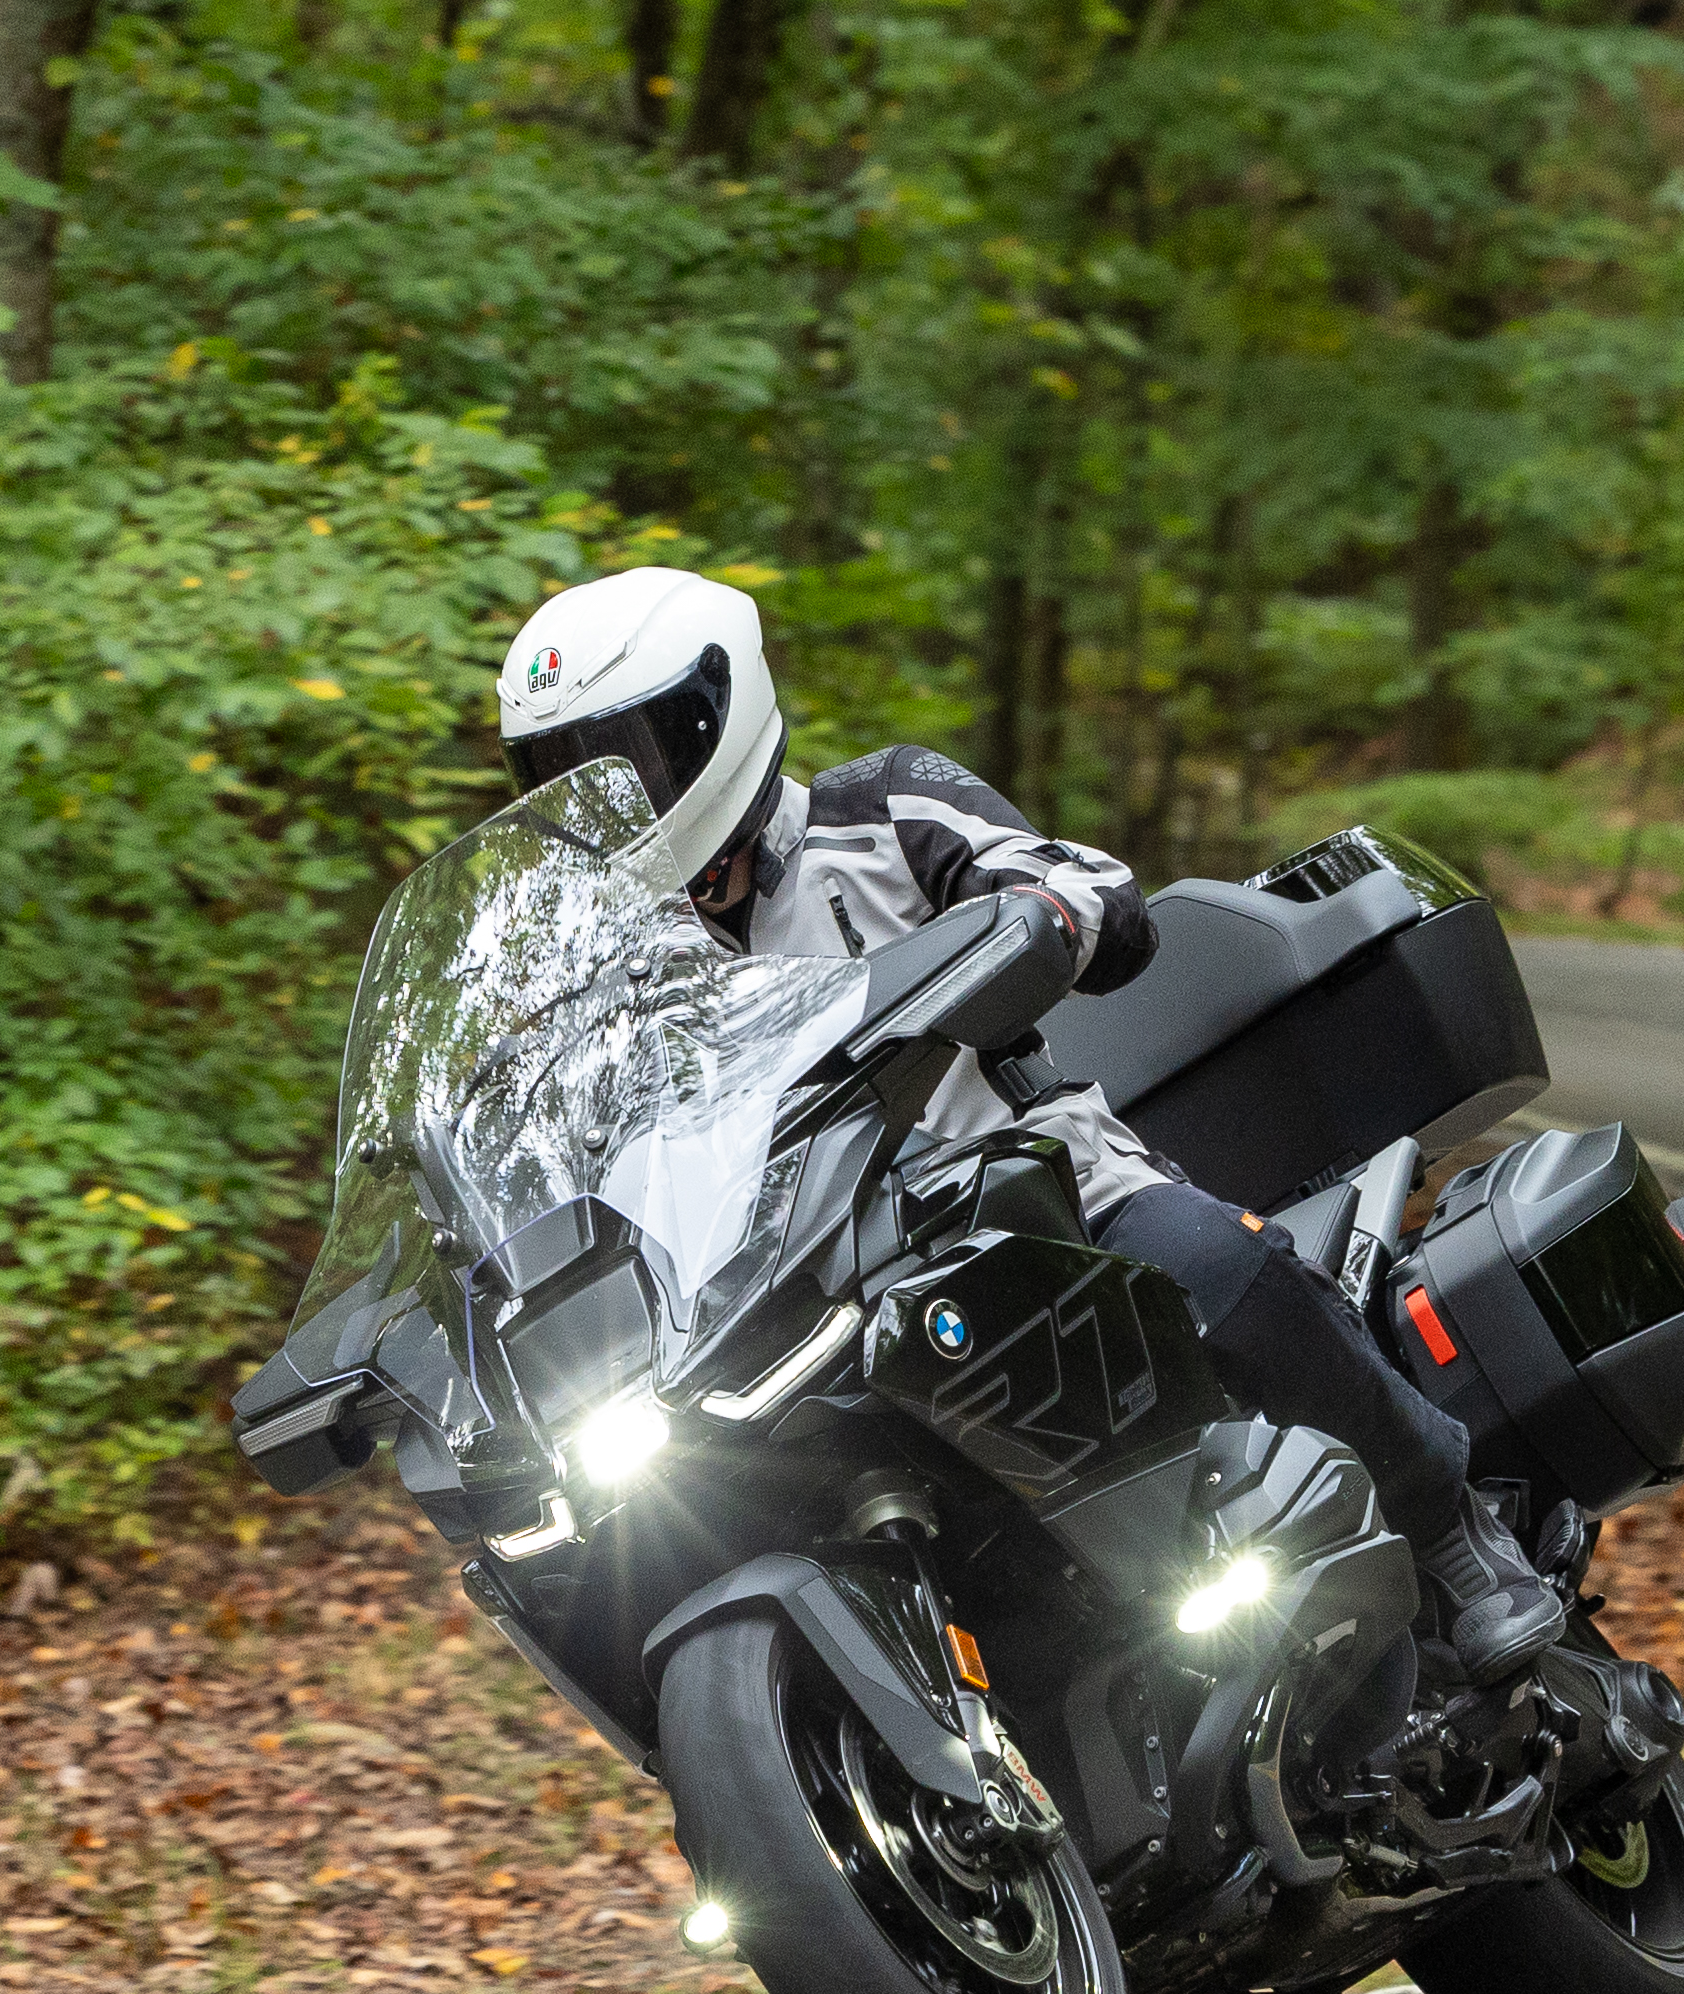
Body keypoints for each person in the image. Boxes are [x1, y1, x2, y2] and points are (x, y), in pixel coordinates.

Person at [486, 566, 1565, 1682]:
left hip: (1041, 1199)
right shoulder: (610, 976)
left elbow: (1084, 883)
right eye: (567, 776)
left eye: (632, 759)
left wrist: (1049, 913)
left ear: (719, 713)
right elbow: (560, 1140)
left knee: (1205, 1263)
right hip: (799, 1292)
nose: (611, 798)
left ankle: (1449, 1528)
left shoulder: (882, 811)